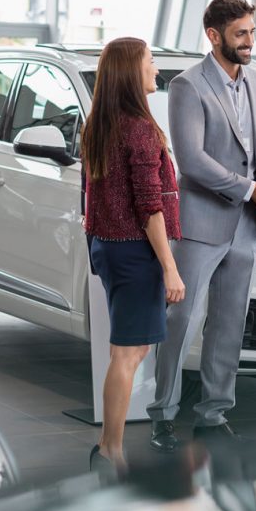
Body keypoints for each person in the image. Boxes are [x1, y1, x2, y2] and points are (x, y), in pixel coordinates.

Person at [147, 0, 256, 452]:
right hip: (200, 224)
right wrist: (251, 189)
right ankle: (162, 416)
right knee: (181, 318)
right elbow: (192, 161)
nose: (250, 41)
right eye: (240, 33)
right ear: (214, 35)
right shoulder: (188, 86)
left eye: (252, 31)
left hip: (246, 227)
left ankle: (213, 414)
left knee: (229, 323)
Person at [82, 37, 185, 473]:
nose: (156, 70)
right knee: (127, 354)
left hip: (108, 246)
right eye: (150, 62)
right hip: (135, 252)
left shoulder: (99, 124)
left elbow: (89, 195)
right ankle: (111, 451)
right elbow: (149, 205)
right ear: (130, 72)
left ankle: (109, 445)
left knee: (127, 350)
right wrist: (170, 267)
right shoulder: (139, 129)